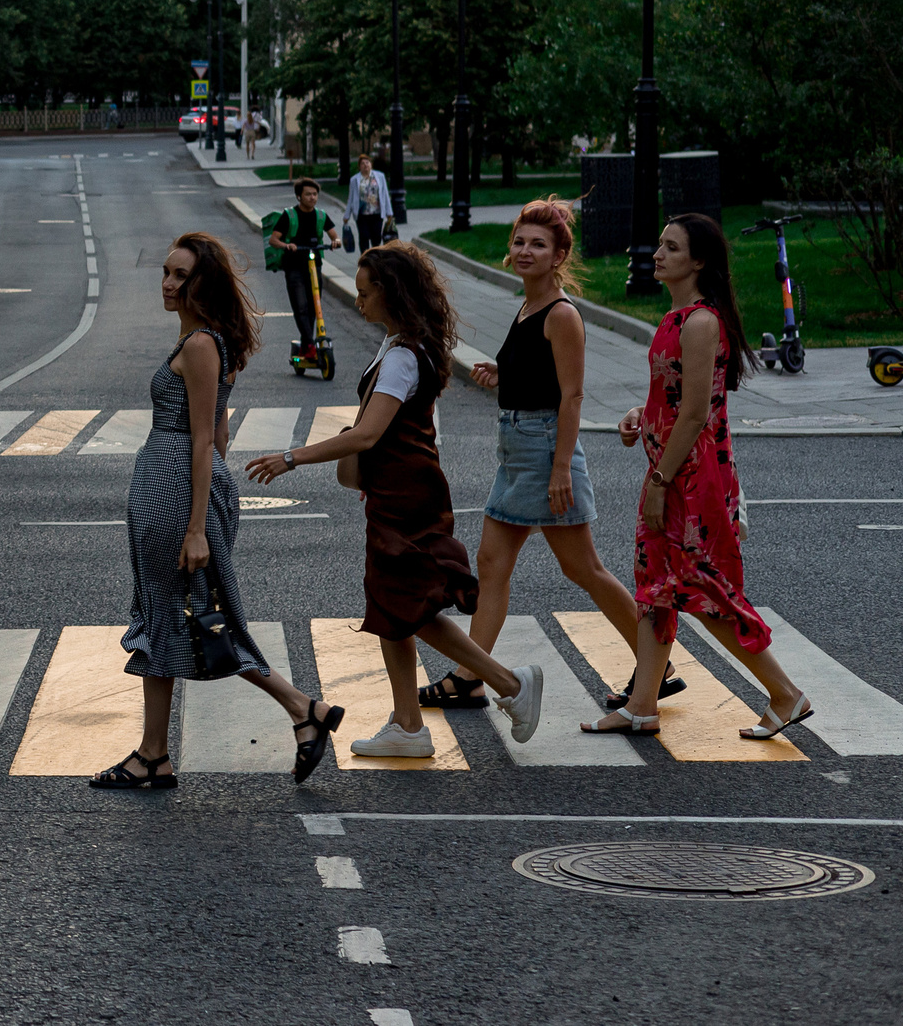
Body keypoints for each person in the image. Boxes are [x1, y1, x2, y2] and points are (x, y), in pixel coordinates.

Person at [247, 243, 544, 757]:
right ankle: (408, 725)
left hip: (407, 495)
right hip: (397, 490)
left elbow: (368, 433)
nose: (358, 301)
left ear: (391, 292)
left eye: (365, 292)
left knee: (408, 606)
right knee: (393, 607)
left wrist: (291, 458)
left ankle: (509, 684)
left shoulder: (404, 356)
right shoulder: (402, 345)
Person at [94, 231, 343, 790]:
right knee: (168, 618)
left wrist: (197, 525)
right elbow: (220, 432)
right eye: (165, 272)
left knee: (195, 620)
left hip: (177, 494)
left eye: (180, 276)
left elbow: (205, 439)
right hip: (175, 491)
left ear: (202, 284)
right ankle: (155, 754)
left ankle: (300, 707)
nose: (167, 283)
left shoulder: (202, 345)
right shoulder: (202, 340)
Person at [419, 200, 676, 711]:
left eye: (538, 244)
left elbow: (572, 396)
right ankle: (471, 676)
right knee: (492, 563)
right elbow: (542, 373)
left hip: (543, 451)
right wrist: (505, 373)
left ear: (559, 256)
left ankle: (657, 664)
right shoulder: (527, 307)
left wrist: (561, 468)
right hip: (516, 450)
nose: (525, 251)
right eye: (519, 241)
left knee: (584, 569)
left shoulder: (562, 314)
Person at [584, 215, 812, 741]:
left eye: (671, 247)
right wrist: (639, 416)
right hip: (670, 469)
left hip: (692, 480)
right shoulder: (675, 317)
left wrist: (660, 482)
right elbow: (677, 399)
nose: (657, 255)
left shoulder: (701, 322)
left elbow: (694, 415)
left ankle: (785, 693)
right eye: (660, 245)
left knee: (706, 592)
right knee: (655, 588)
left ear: (699, 261)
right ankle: (642, 706)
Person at [264, 178, 339, 355]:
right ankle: (309, 344)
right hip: (294, 266)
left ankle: (307, 344)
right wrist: (286, 245)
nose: (312, 197)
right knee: (301, 306)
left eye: (315, 194)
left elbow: (334, 235)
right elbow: (273, 240)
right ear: (299, 196)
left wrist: (336, 241)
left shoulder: (321, 215)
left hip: (314, 266)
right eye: (308, 194)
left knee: (314, 307)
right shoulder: (289, 215)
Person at [347, 155, 391, 256]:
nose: (365, 165)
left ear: (371, 164)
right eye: (362, 163)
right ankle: (365, 257)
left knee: (376, 238)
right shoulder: (355, 180)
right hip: (362, 214)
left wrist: (389, 213)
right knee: (364, 236)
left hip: (376, 213)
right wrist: (347, 215)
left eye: (367, 162)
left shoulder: (380, 177)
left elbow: (385, 194)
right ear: (359, 167)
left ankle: (376, 258)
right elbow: (351, 198)